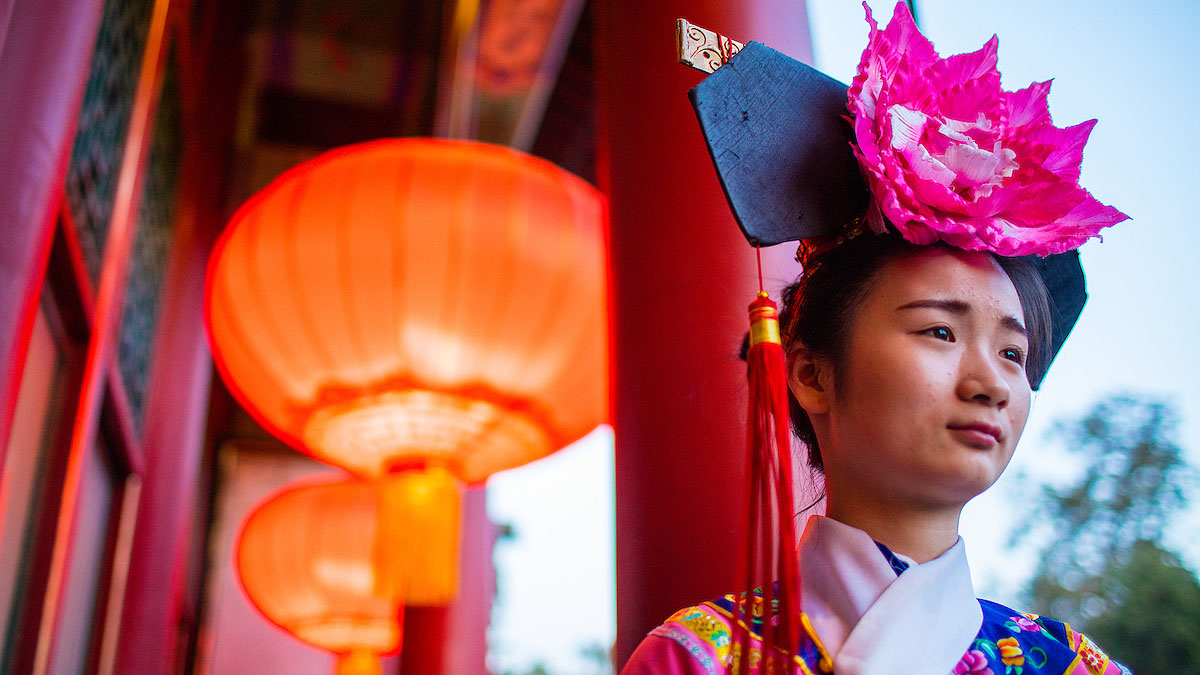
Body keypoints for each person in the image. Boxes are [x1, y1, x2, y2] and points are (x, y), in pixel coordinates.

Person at [623, 3, 1132, 674]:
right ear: (810, 371)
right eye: (941, 330)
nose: (990, 383)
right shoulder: (697, 658)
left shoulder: (1073, 665)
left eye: (1012, 352)